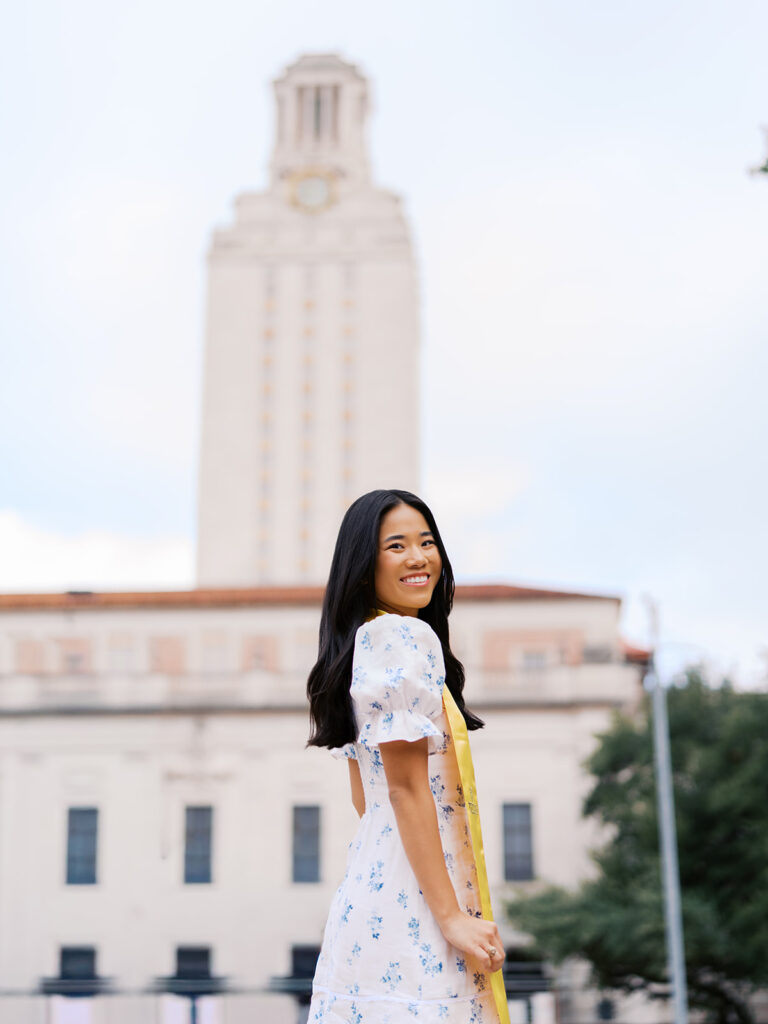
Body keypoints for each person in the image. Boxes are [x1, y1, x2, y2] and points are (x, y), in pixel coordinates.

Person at [306, 489, 508, 1024]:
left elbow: (366, 797)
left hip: (375, 887)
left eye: (427, 542)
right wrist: (450, 916)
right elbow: (403, 788)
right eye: (396, 545)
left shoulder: (361, 644)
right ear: (363, 563)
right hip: (420, 900)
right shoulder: (400, 635)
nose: (419, 558)